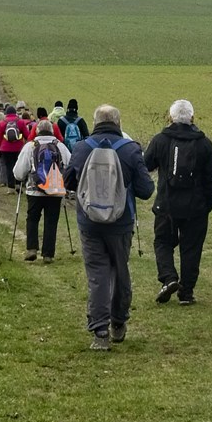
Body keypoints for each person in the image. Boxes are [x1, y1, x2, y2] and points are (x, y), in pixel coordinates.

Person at [67, 104, 154, 350]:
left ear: (94, 122)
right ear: (118, 122)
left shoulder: (82, 148)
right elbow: (147, 190)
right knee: (120, 270)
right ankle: (118, 322)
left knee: (97, 275)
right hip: (121, 222)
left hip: (89, 222)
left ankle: (100, 332)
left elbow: (68, 181)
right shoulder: (130, 149)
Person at [143, 98, 212, 305]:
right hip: (195, 208)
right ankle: (186, 292)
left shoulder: (160, 140)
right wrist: (207, 205)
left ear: (170, 117)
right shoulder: (204, 143)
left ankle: (169, 278)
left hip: (166, 205)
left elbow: (146, 165)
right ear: (193, 118)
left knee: (162, 242)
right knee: (192, 248)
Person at [14, 118, 72, 263]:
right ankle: (48, 254)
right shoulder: (60, 146)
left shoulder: (30, 146)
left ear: (37, 130)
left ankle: (32, 248)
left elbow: (19, 172)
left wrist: (22, 178)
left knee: (32, 218)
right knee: (51, 221)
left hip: (34, 190)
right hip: (55, 189)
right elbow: (70, 166)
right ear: (52, 131)